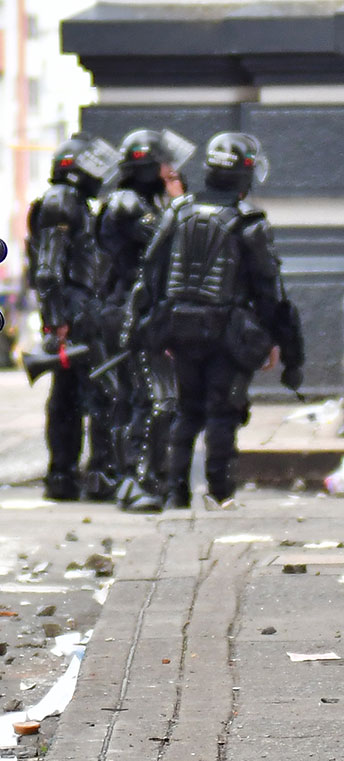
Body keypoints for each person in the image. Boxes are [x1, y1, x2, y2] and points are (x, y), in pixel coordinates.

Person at [136, 132, 304, 509]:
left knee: (186, 410)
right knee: (222, 413)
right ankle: (220, 492)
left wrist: (150, 326)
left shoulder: (178, 212)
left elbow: (150, 272)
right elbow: (270, 292)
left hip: (177, 328)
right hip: (227, 331)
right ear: (245, 175)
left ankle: (175, 492)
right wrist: (288, 351)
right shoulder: (249, 222)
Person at [96, 129, 186, 512]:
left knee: (136, 398)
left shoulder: (135, 200)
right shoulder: (130, 205)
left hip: (135, 306)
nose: (170, 171)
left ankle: (135, 478)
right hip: (135, 310)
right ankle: (135, 479)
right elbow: (169, 245)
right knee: (154, 399)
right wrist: (179, 203)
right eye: (163, 166)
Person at [25, 133, 114, 501]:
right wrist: (58, 319)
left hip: (80, 308)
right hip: (76, 311)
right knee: (87, 396)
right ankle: (78, 474)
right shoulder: (62, 201)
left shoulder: (72, 202)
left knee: (76, 397)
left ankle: (68, 475)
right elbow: (48, 269)